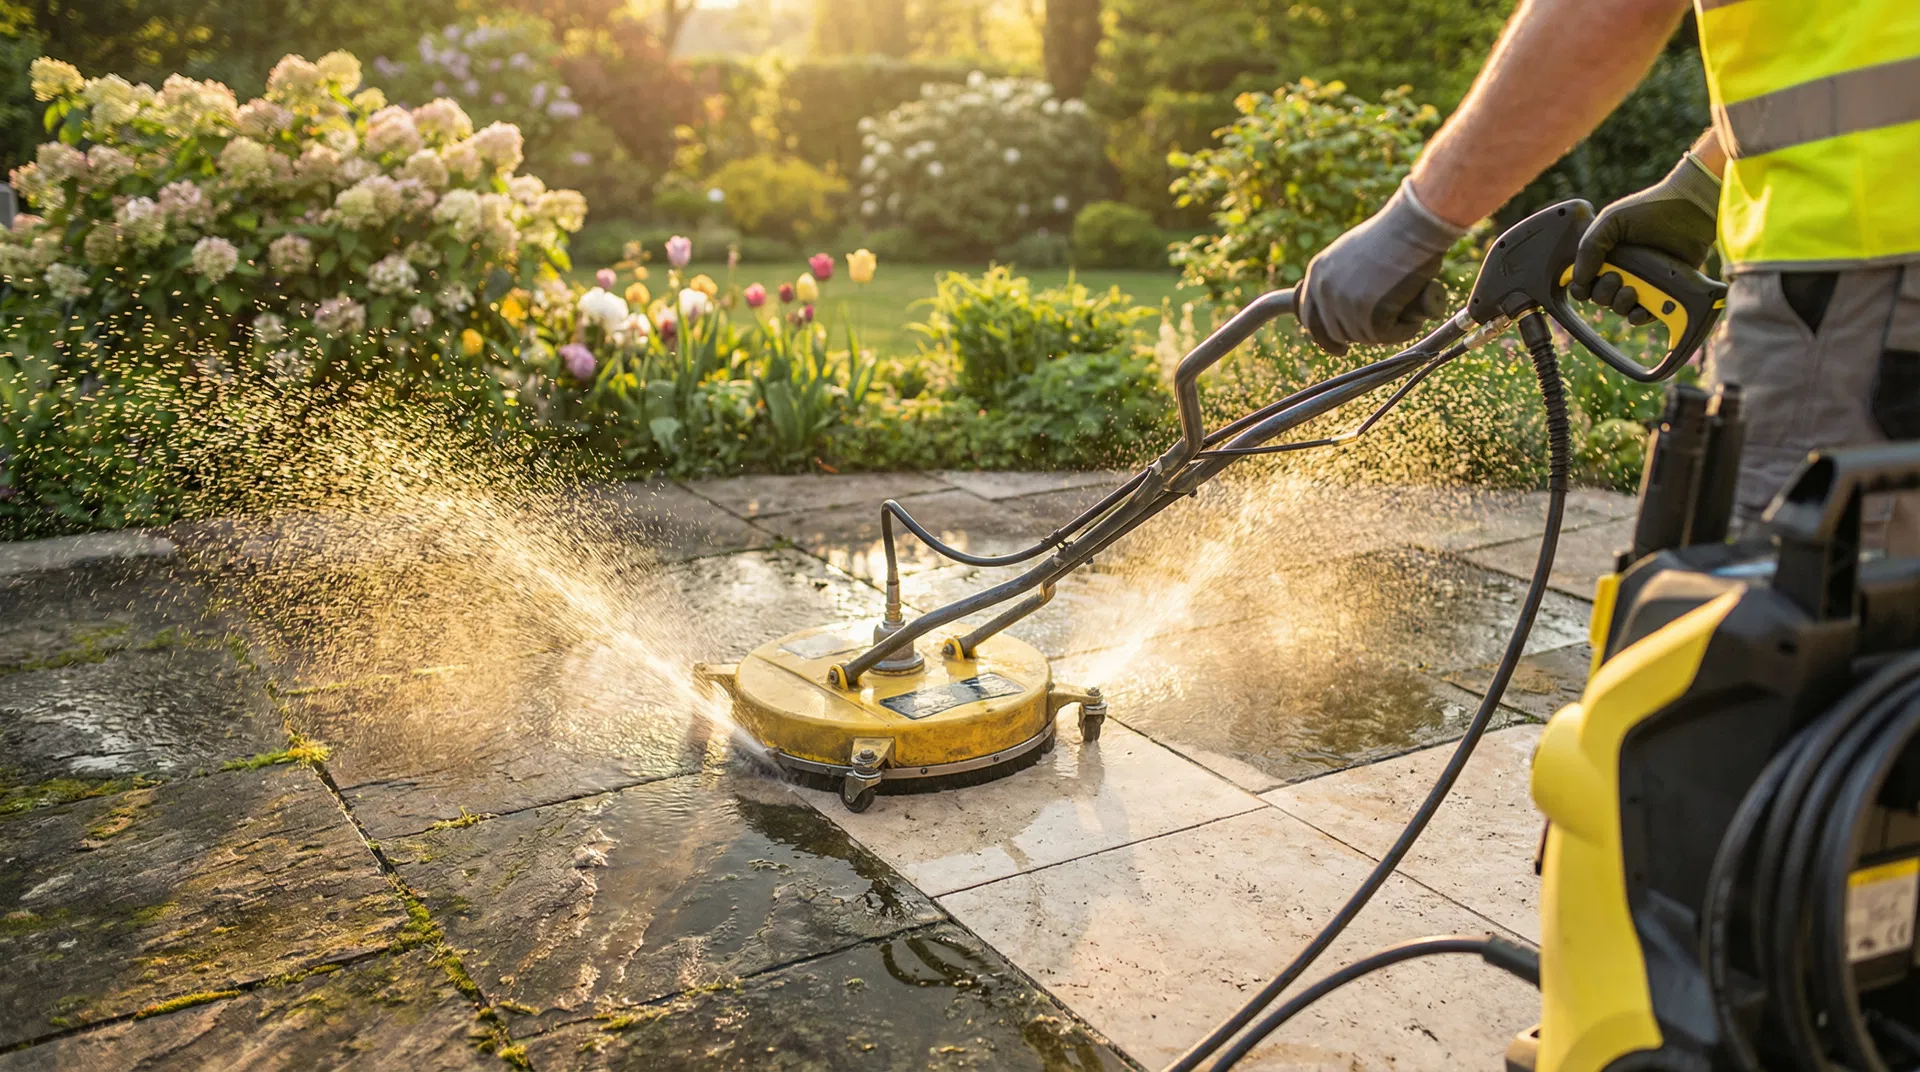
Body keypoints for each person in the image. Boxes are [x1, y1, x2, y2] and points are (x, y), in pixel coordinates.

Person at [1298, 0, 1920, 549]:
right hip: (1877, 274)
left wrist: (1415, 222)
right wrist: (1707, 179)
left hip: (1862, 282)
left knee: (1783, 624)